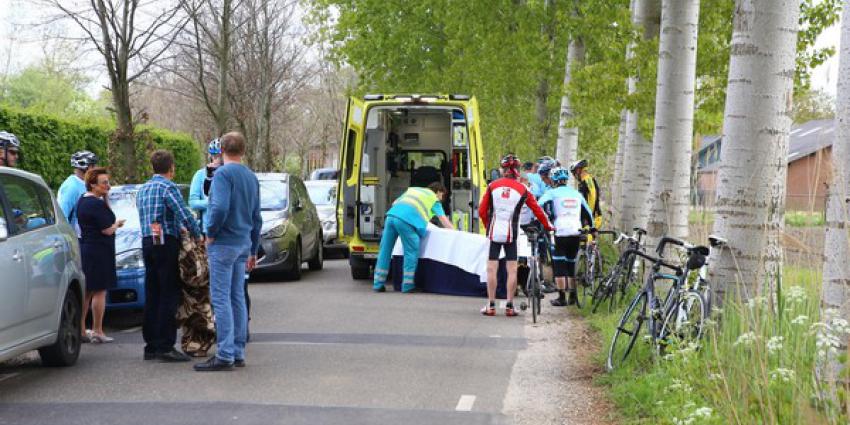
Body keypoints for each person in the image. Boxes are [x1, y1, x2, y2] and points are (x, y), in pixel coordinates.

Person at [195, 132, 262, 372]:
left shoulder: (222, 174)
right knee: (237, 297)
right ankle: (238, 351)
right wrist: (253, 249)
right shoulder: (251, 177)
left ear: (222, 149)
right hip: (243, 242)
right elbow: (256, 217)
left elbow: (219, 206)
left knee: (221, 298)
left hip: (223, 243)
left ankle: (224, 354)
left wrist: (210, 232)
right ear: (243, 151)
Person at [137, 150, 203, 363]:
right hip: (166, 243)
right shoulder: (168, 187)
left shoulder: (143, 189)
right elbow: (182, 212)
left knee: (152, 291)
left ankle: (151, 345)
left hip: (148, 242)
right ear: (171, 168)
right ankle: (166, 344)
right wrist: (196, 233)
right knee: (169, 292)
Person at [478, 154, 553, 317]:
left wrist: (487, 226)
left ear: (503, 170)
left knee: (491, 268)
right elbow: (537, 210)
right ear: (517, 170)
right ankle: (510, 306)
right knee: (512, 269)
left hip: (494, 232)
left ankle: (491, 305)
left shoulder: (492, 186)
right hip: (511, 234)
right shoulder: (523, 189)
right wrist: (548, 226)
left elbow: (481, 211)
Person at [372, 182, 455, 294]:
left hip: (391, 217)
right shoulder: (433, 199)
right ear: (438, 191)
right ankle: (407, 285)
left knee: (385, 250)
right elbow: (444, 220)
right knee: (411, 250)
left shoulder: (413, 190)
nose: (441, 199)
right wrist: (456, 233)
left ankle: (378, 284)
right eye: (442, 195)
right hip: (405, 221)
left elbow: (394, 203)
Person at [77, 167, 125, 342]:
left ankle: (81, 329)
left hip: (88, 248)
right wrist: (117, 225)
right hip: (99, 250)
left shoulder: (82, 201)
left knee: (87, 292)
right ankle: (98, 330)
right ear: (92, 184)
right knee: (99, 291)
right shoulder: (95, 204)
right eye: (104, 183)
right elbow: (106, 229)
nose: (108, 186)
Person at [538, 167, 594, 306]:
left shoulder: (551, 193)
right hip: (575, 230)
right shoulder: (576, 194)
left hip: (559, 231)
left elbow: (538, 206)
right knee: (571, 263)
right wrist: (592, 228)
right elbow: (588, 212)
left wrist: (542, 221)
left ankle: (562, 297)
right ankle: (573, 296)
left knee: (559, 264)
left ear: (554, 180)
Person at [58, 151, 99, 236]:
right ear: (85, 168)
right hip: (79, 239)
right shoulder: (71, 187)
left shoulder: (85, 183)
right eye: (93, 166)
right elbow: (62, 215)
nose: (96, 168)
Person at [189, 139, 222, 233]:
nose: (217, 160)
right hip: (208, 228)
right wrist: (211, 203)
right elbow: (193, 203)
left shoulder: (230, 173)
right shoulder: (200, 175)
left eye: (220, 157)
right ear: (210, 156)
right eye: (215, 156)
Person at [570, 159, 603, 229]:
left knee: (585, 239)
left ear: (579, 170)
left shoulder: (587, 181)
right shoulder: (586, 181)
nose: (574, 176)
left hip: (590, 220)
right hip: (591, 218)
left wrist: (587, 219)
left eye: (574, 173)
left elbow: (592, 198)